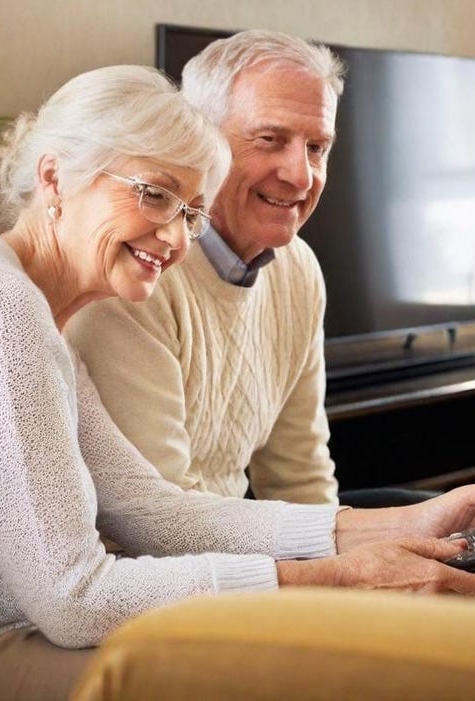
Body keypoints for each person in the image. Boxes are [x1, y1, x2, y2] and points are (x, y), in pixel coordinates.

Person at [0, 64, 475, 701]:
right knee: (315, 667)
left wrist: (404, 524)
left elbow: (152, 511)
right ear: (53, 177)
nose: (175, 236)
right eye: (152, 194)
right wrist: (335, 577)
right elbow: (73, 598)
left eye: (190, 210)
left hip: (5, 630)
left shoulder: (25, 305)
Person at [65, 30, 350, 504]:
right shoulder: (137, 271)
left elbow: (300, 476)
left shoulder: (298, 268)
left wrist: (338, 572)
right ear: (200, 139)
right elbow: (161, 516)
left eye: (317, 147)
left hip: (239, 550)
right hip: (162, 565)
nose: (301, 176)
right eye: (270, 139)